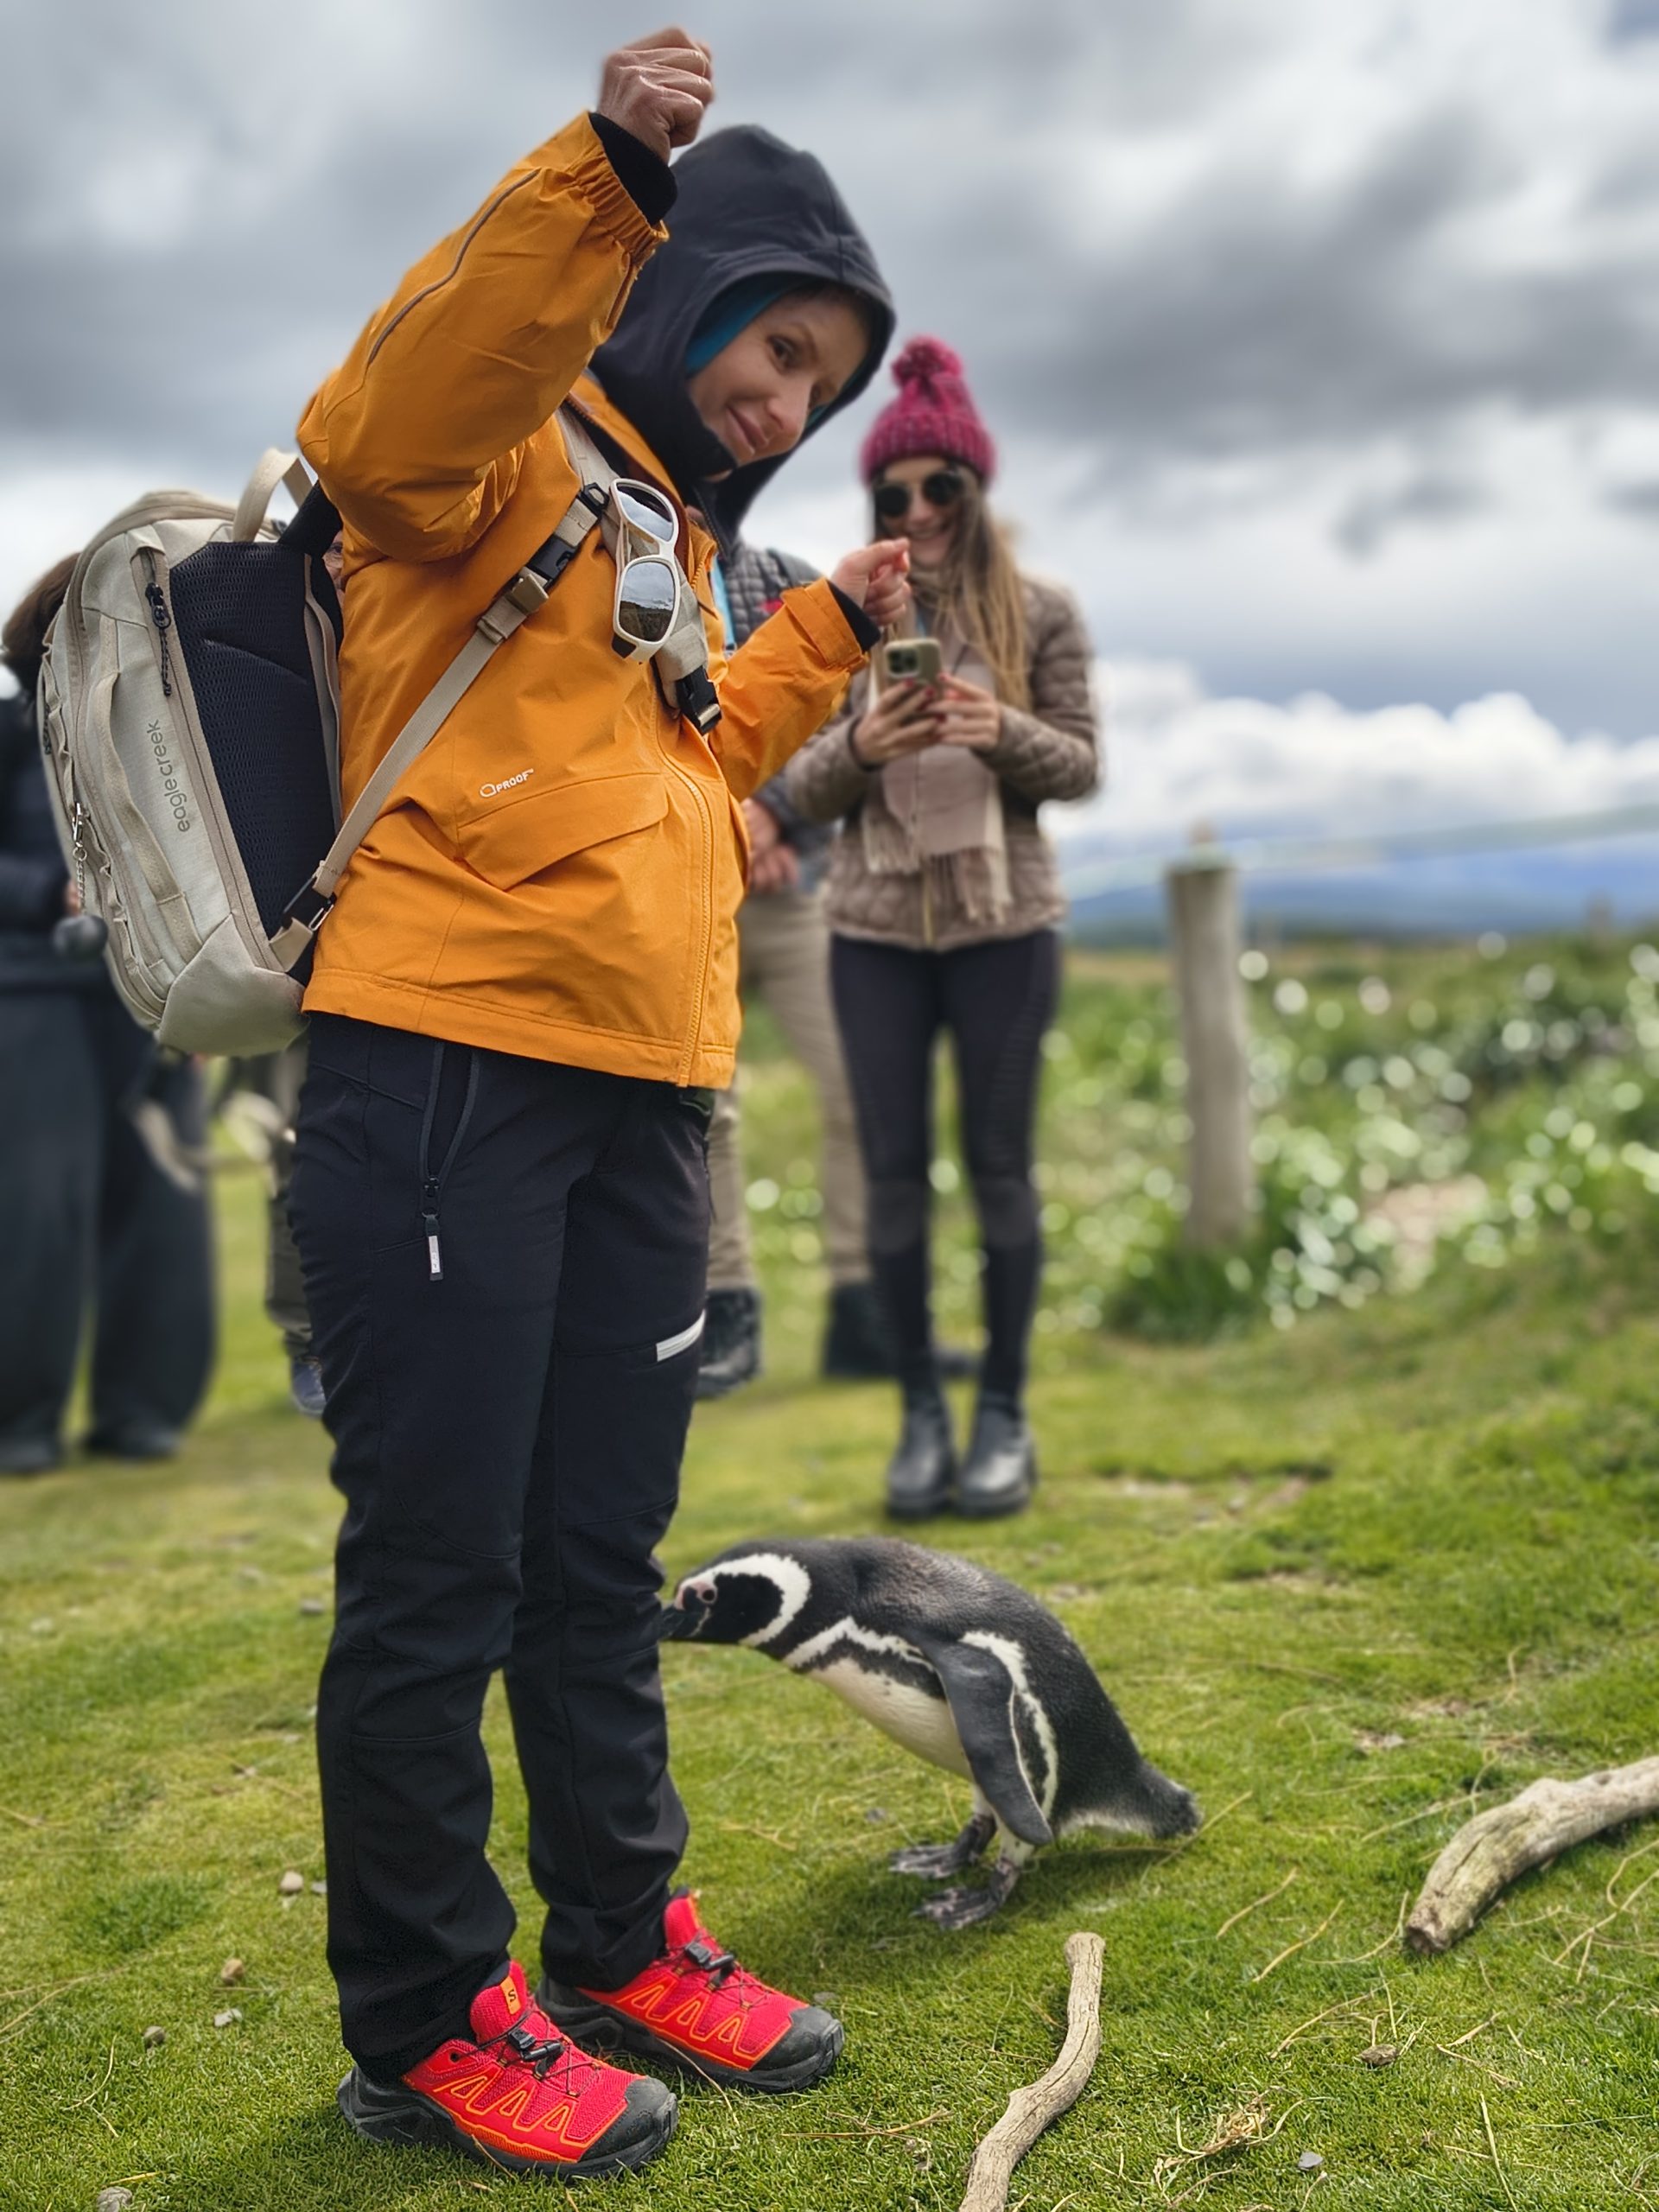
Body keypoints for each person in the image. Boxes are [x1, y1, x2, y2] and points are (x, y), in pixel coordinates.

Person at [286, 31, 906, 2183]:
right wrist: (606, 178)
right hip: (445, 1064)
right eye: (771, 340)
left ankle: (620, 1939)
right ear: (681, 284)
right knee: (438, 1568)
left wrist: (820, 630)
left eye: (825, 378)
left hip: (644, 1086)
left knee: (592, 1558)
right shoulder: (487, 457)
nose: (792, 397)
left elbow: (677, 774)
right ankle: (426, 2021)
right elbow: (378, 417)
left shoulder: (661, 529)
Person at [785, 338, 1099, 1522]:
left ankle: (1004, 1416)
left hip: (1005, 930)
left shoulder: (1045, 614)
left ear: (975, 493)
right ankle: (921, 1416)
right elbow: (794, 783)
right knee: (894, 1184)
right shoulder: (845, 615)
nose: (915, 510)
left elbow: (1078, 766)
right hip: (869, 934)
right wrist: (864, 744)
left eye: (938, 488)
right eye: (893, 493)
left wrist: (992, 727)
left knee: (1004, 1174)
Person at [0, 560, 215, 1474]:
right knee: (38, 1203)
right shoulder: (12, 733)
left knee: (162, 1195)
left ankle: (144, 1409)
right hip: (30, 991)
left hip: (153, 991)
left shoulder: (159, 728)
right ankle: (21, 1423)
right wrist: (52, 890)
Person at [696, 535, 893, 1398]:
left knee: (860, 1085)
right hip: (695, 888)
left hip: (800, 887)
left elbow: (848, 721)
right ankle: (722, 1309)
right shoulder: (636, 556)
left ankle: (863, 1306)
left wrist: (774, 818)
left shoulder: (783, 577)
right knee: (707, 1103)